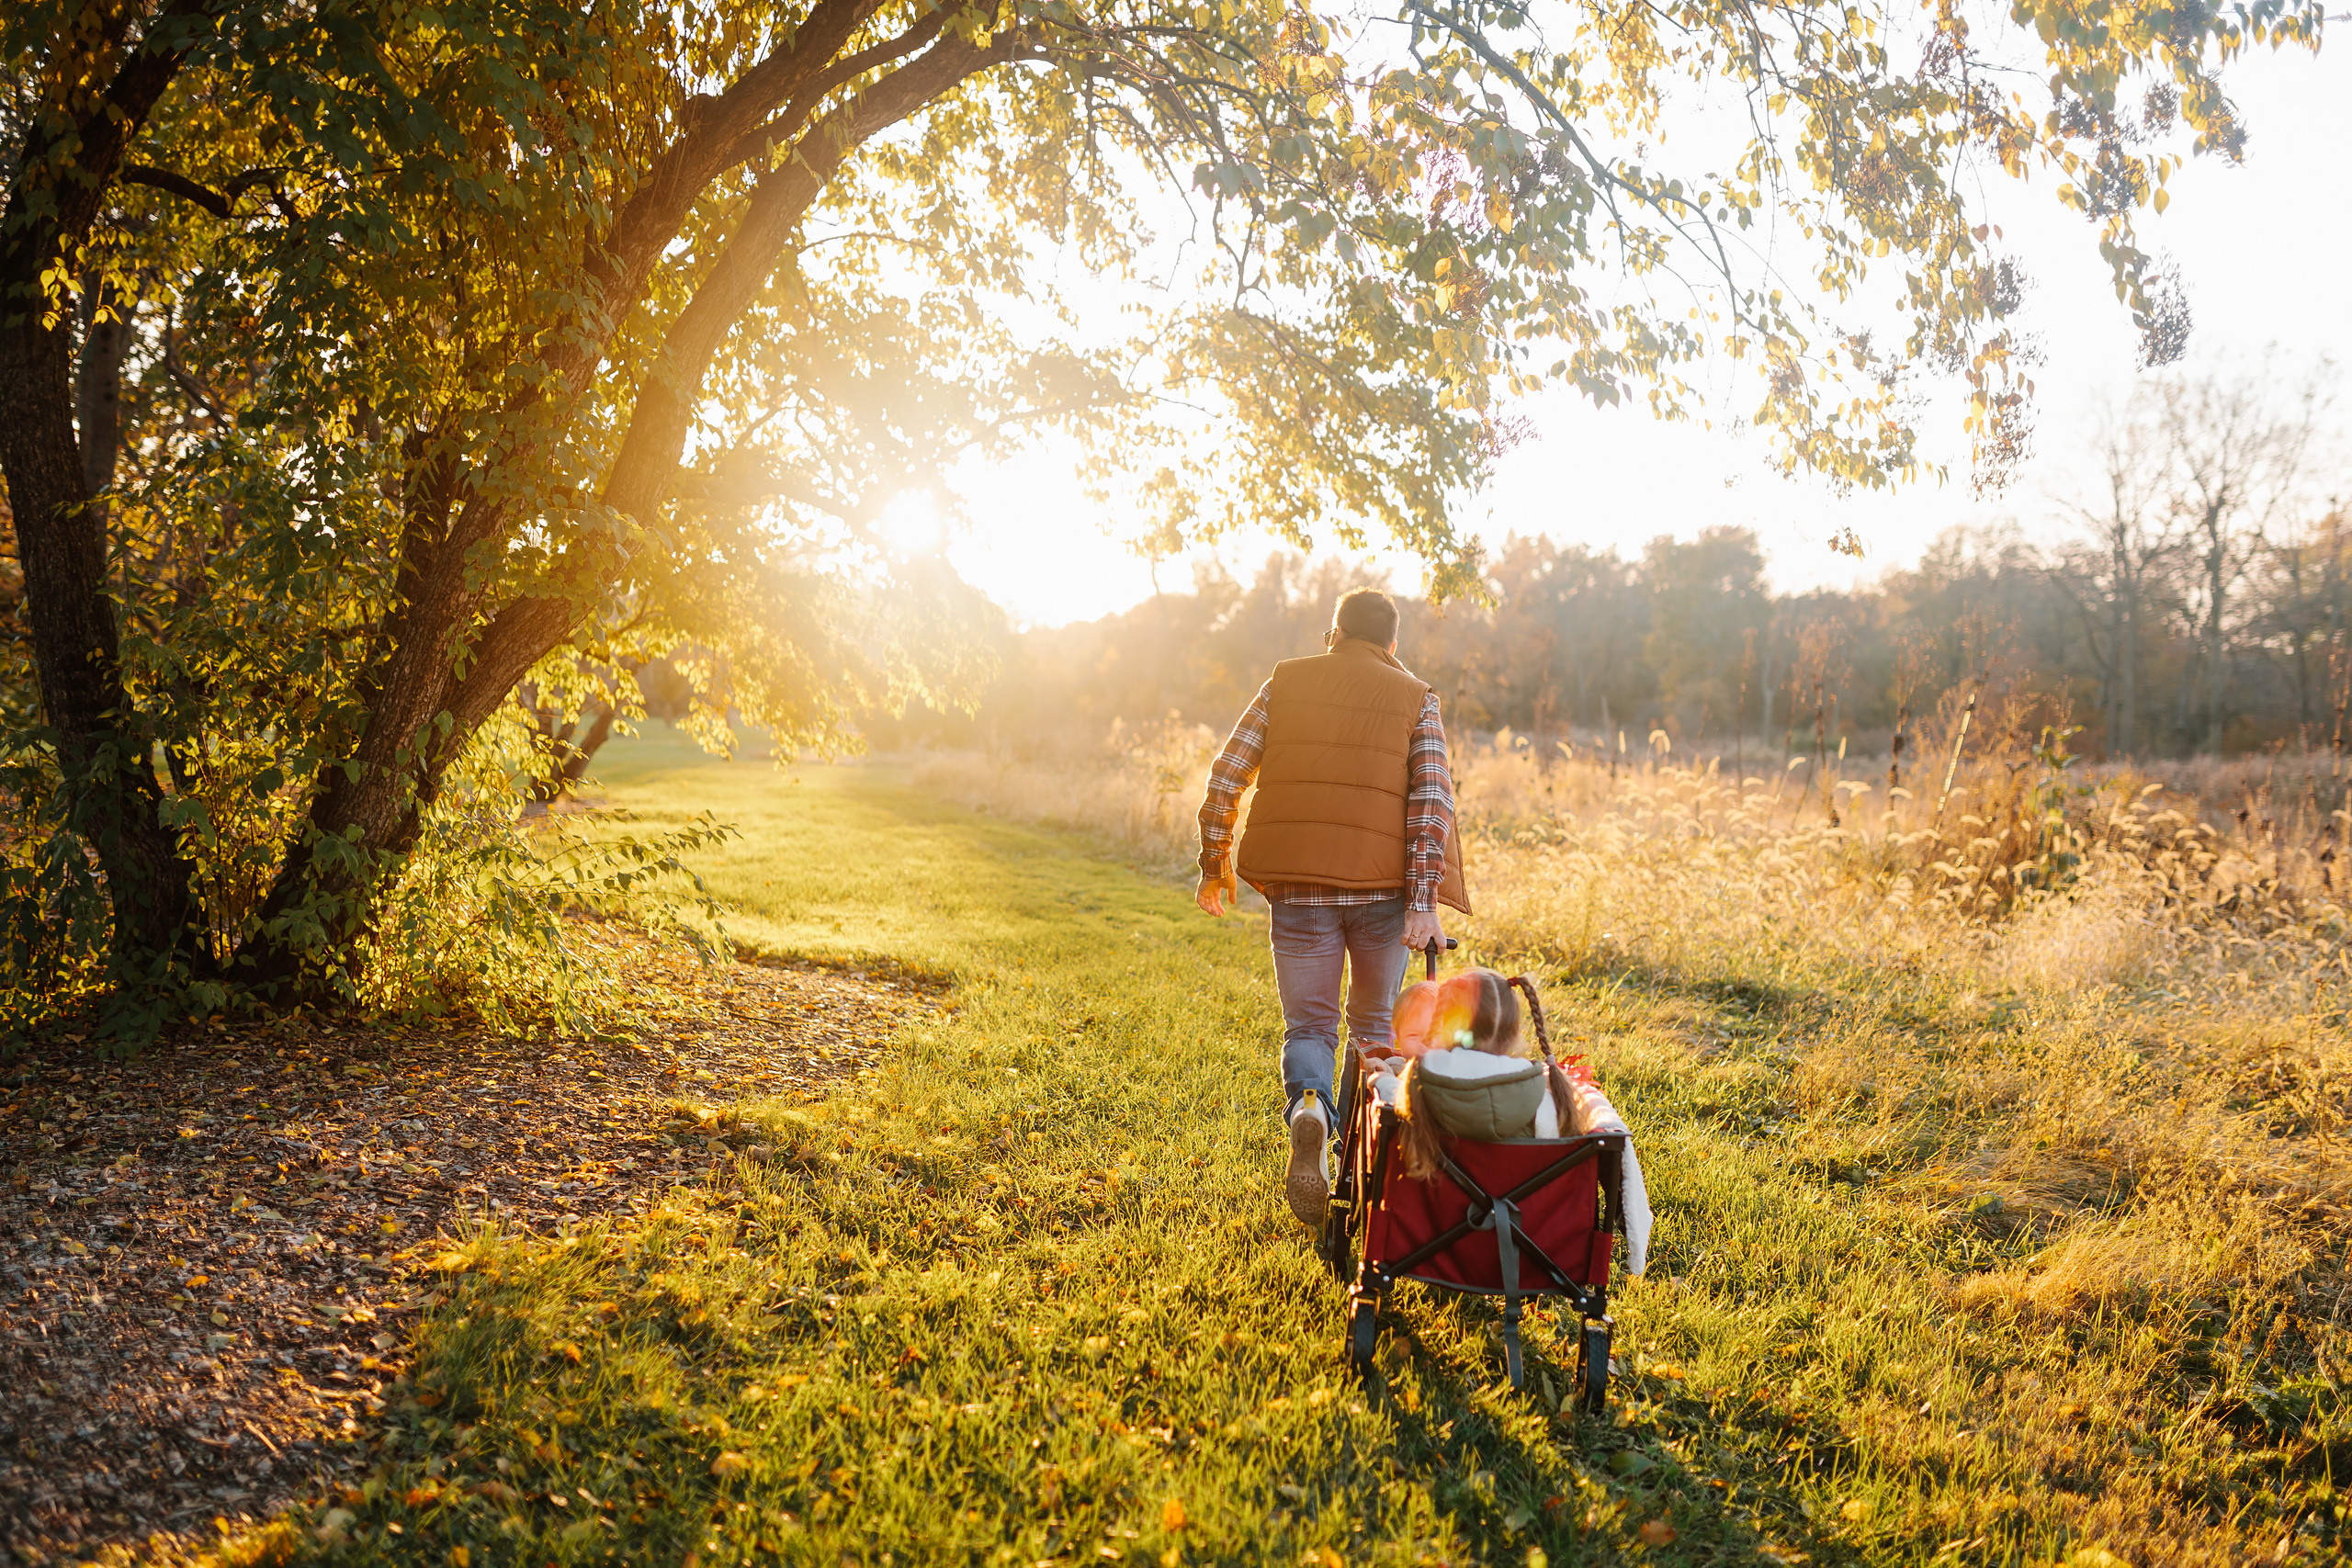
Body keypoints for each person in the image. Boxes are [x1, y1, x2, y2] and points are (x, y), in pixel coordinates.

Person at [1193, 587, 1470, 1227]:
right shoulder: (1416, 696)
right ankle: (1363, 1164)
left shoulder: (1284, 681)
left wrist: (1216, 862)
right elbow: (1432, 800)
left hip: (1300, 888)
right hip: (1382, 896)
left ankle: (1311, 1106)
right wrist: (1424, 903)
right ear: (1392, 644)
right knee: (1374, 1027)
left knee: (1309, 1026)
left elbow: (1226, 773)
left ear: (1334, 632)